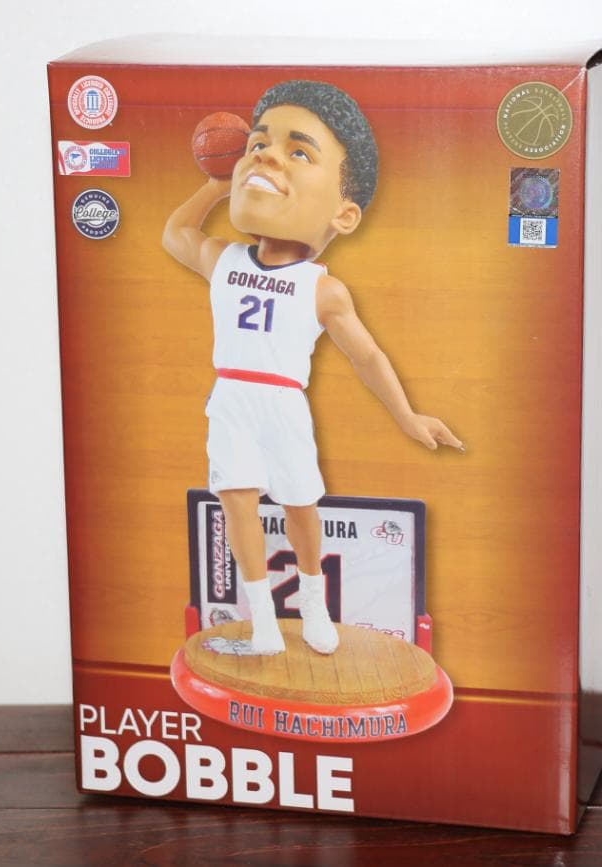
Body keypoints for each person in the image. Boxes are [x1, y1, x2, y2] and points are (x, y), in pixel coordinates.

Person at [163, 80, 462, 657]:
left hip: (282, 400)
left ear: (344, 215)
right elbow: (176, 234)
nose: (265, 156)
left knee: (301, 506)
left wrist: (406, 415)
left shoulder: (322, 289)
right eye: (256, 144)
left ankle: (313, 603)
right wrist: (215, 183)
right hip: (232, 397)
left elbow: (367, 356)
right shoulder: (224, 259)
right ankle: (263, 624)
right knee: (238, 504)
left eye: (297, 151)